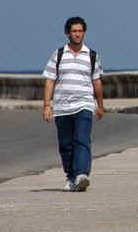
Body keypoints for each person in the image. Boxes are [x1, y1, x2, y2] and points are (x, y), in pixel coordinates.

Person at [42, 16, 104, 192]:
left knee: (82, 139)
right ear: (67, 33)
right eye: (74, 31)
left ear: (84, 33)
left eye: (80, 31)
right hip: (62, 107)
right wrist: (47, 105)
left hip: (84, 104)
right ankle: (71, 177)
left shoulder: (92, 55)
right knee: (66, 144)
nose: (77, 34)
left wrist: (100, 105)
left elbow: (97, 82)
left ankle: (81, 174)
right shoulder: (59, 54)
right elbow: (49, 81)